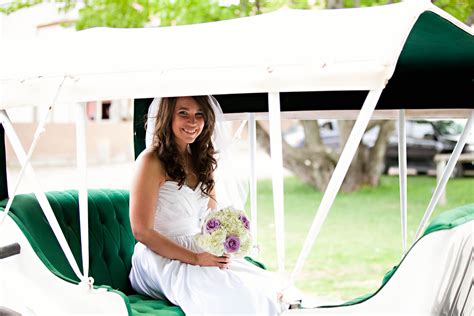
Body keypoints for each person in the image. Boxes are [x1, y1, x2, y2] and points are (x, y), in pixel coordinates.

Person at [129, 96, 283, 315]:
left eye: (199, 114)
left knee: (266, 287)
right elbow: (141, 231)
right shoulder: (151, 160)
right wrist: (195, 259)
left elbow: (212, 219)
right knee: (237, 297)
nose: (192, 122)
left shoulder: (201, 160)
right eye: (183, 113)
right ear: (168, 116)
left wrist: (225, 240)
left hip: (197, 246)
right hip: (158, 256)